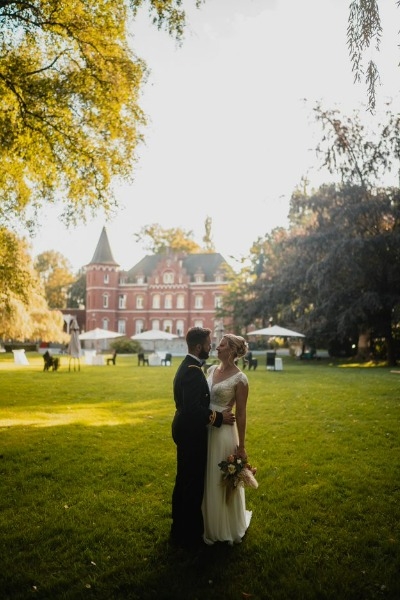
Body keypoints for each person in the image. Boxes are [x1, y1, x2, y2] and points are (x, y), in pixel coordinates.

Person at [170, 327, 236, 549]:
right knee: (191, 483)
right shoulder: (192, 371)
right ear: (199, 347)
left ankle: (180, 528)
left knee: (184, 480)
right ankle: (187, 533)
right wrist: (218, 417)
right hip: (190, 432)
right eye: (209, 343)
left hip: (186, 430)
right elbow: (192, 409)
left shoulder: (192, 367)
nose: (211, 346)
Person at [202, 333, 251, 545]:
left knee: (219, 477)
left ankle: (223, 526)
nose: (216, 348)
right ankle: (204, 521)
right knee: (205, 475)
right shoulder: (211, 369)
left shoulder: (241, 379)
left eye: (221, 345)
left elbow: (241, 414)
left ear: (231, 350)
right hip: (206, 426)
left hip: (223, 432)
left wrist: (241, 446)